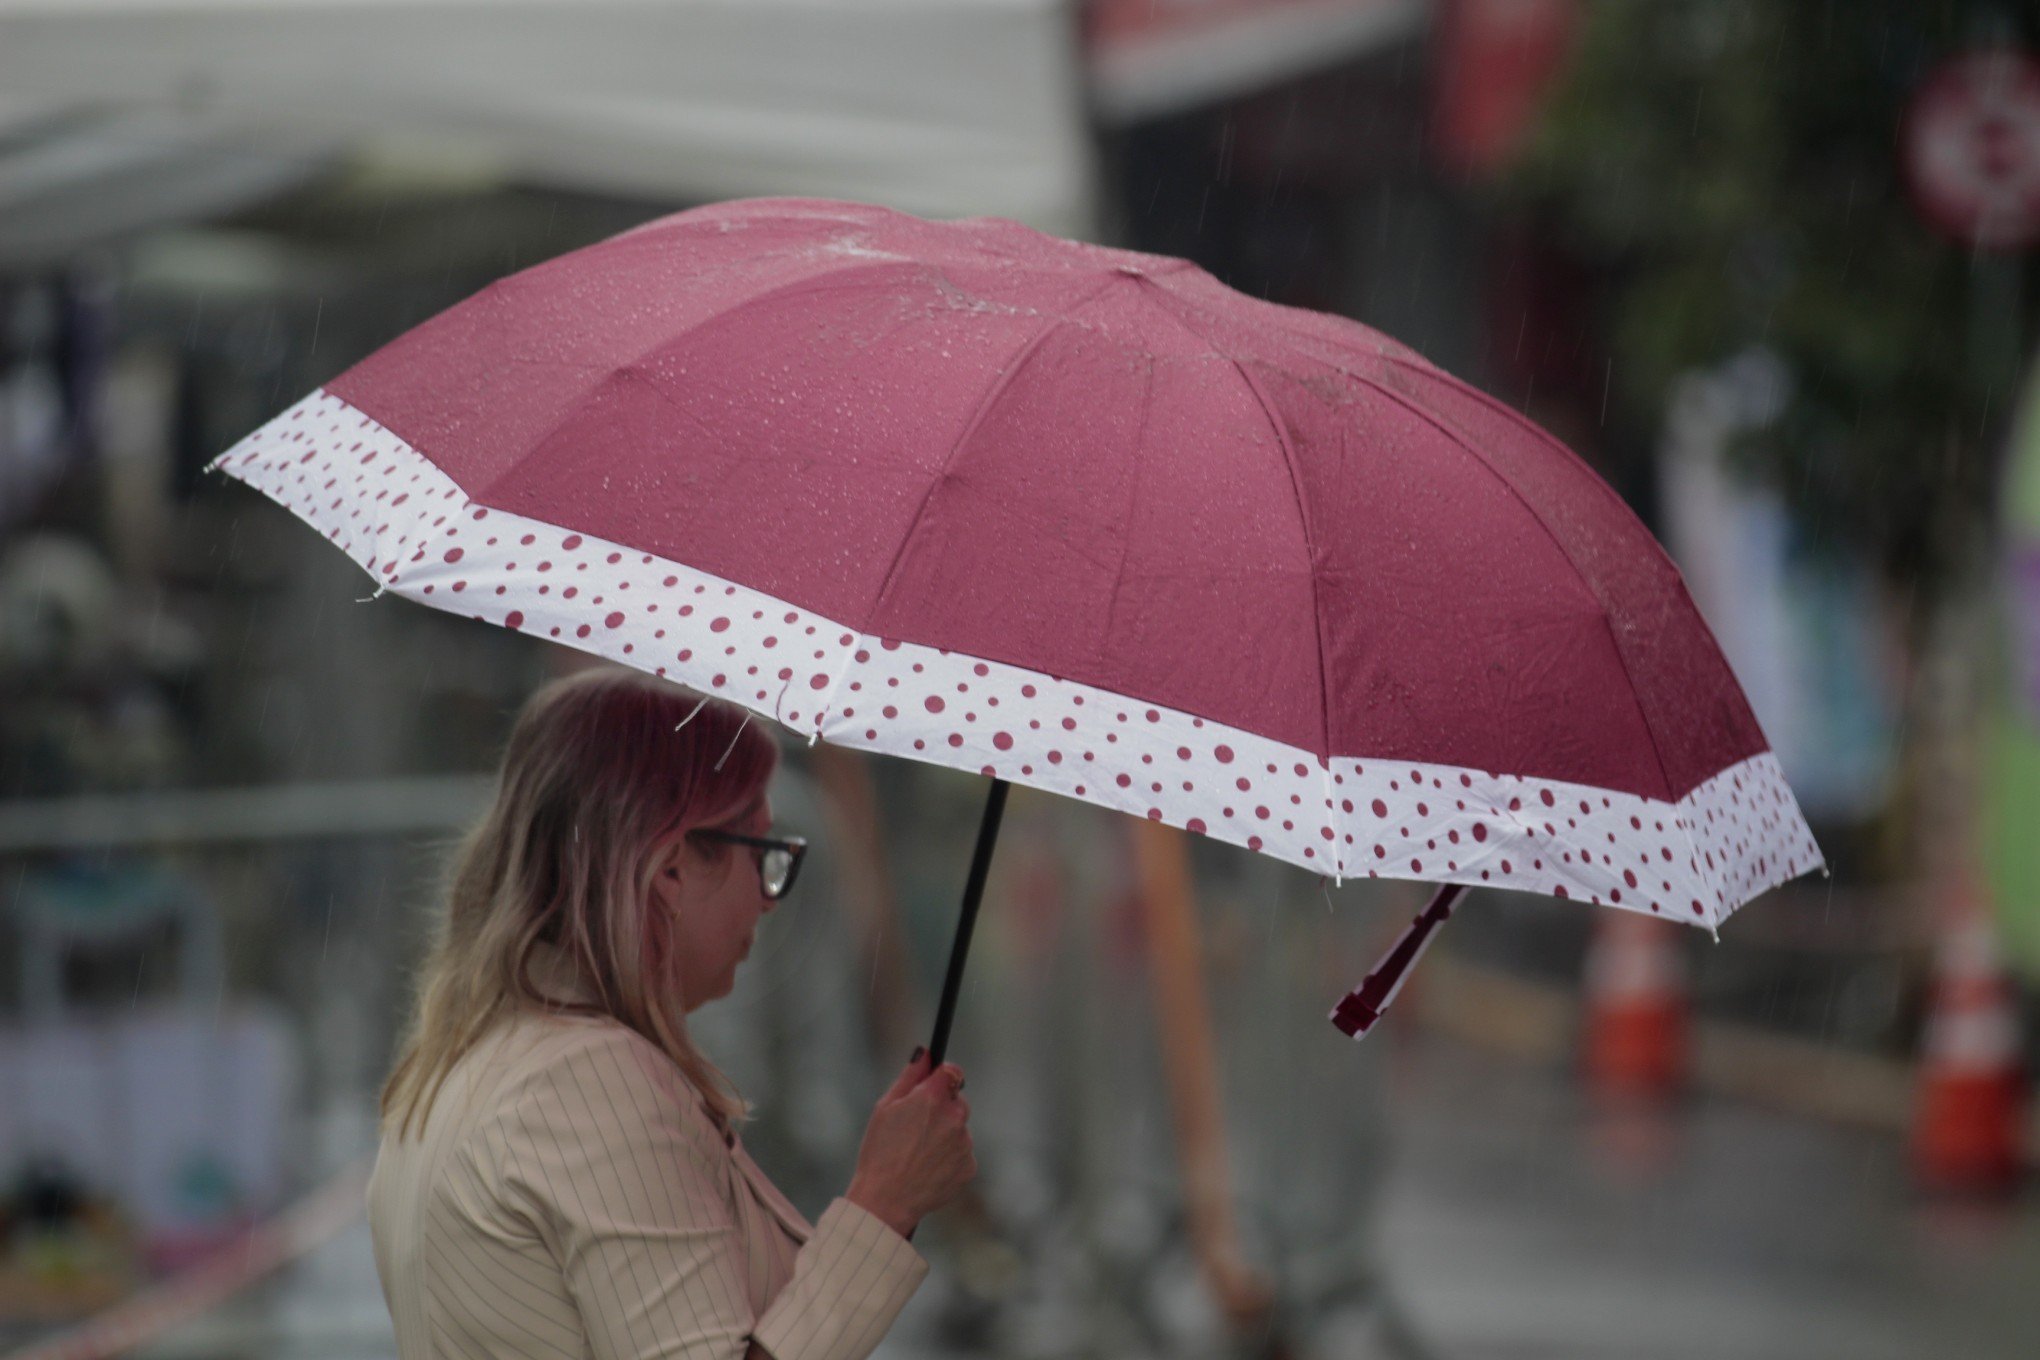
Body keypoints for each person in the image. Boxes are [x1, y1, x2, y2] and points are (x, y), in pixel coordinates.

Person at [367, 667, 975, 1360]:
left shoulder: (472, 1056)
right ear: (672, 866)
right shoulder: (593, 1088)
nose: (771, 899)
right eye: (765, 853)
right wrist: (885, 1204)